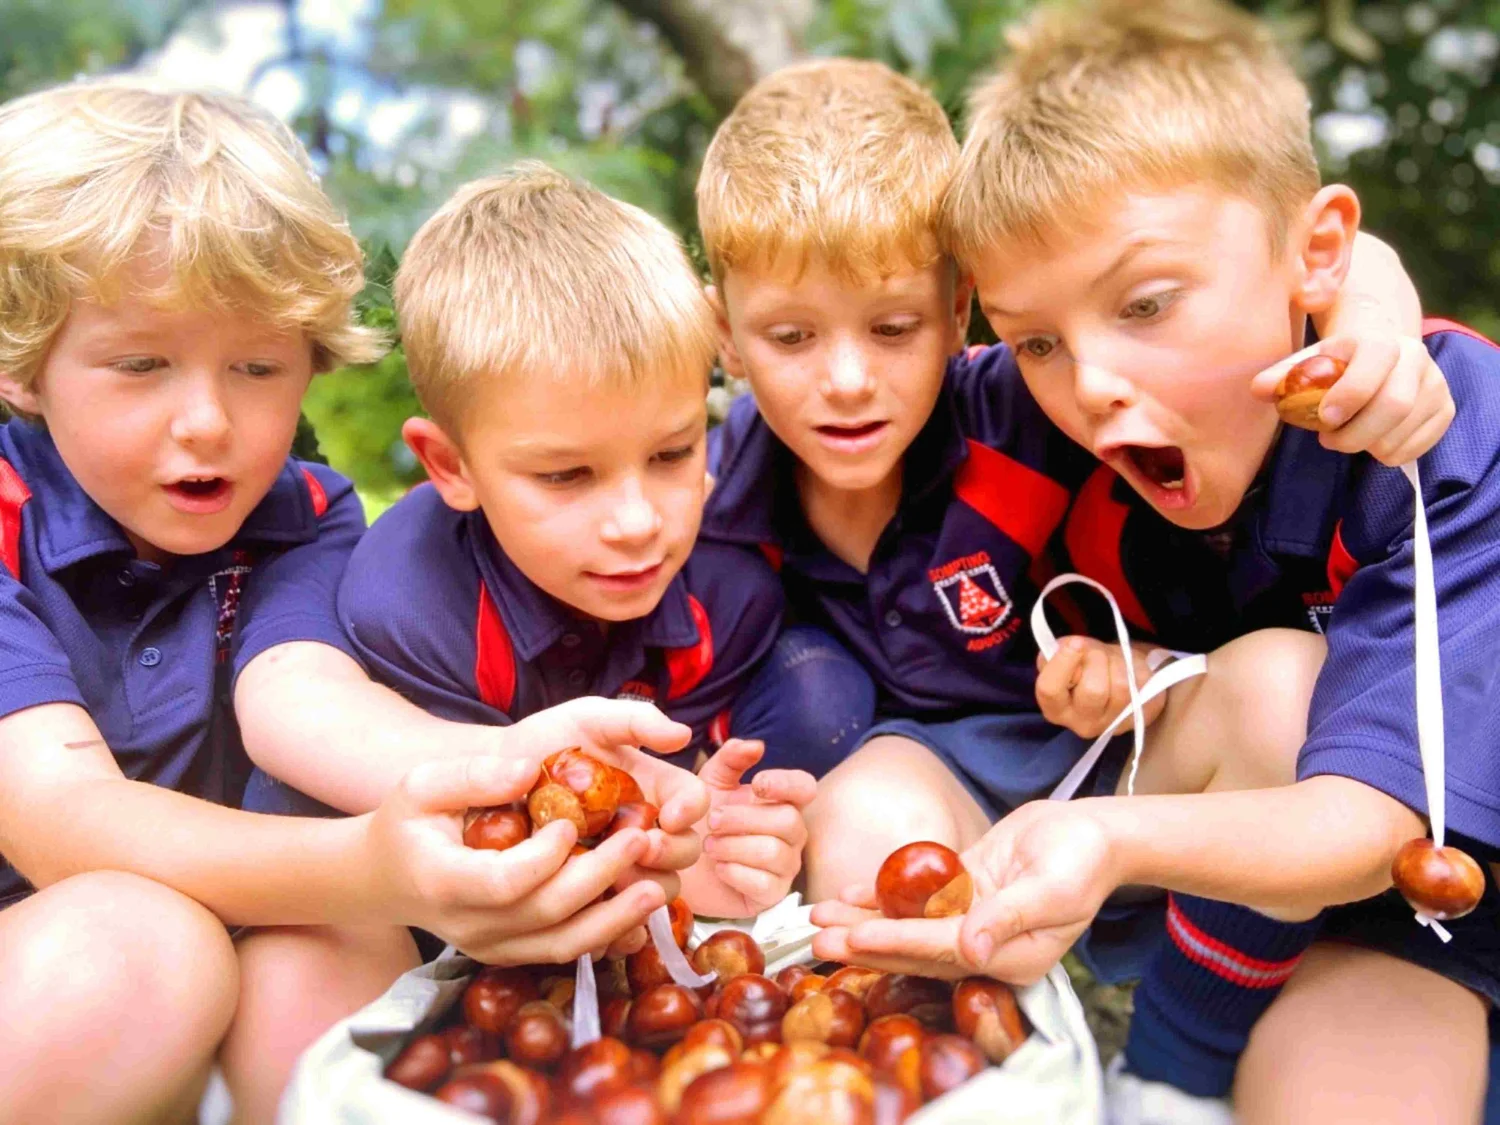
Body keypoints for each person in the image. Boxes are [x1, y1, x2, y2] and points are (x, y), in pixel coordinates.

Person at [814, 3, 1495, 1121]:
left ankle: (1165, 1078)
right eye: (1036, 339)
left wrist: (1101, 837)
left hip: (1411, 913)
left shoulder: (1444, 438)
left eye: (1146, 305)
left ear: (1311, 256)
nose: (1089, 384)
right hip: (1186, 836)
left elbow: (1370, 826)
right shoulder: (1035, 408)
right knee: (878, 803)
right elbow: (801, 405)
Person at [0, 82, 708, 1124]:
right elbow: (63, 824)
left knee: (333, 977)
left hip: (267, 901)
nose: (206, 421)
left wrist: (514, 783)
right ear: (26, 365)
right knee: (141, 951)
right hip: (51, 927)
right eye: (141, 365)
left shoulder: (305, 512)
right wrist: (368, 865)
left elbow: (302, 691)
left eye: (256, 366)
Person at [316, 164, 822, 920]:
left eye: (672, 454)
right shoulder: (412, 604)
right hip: (442, 914)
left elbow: (691, 792)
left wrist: (726, 835)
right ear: (451, 466)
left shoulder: (730, 592)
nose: (636, 521)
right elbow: (452, 836)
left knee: (823, 693)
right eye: (565, 475)